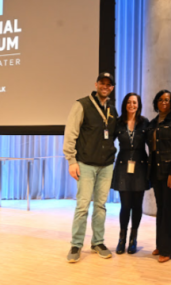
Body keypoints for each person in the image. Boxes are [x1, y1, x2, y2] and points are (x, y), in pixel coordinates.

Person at [63, 72, 119, 262]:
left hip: (106, 165)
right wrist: (71, 161)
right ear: (96, 84)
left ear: (112, 88)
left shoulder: (112, 109)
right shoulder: (82, 105)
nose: (105, 86)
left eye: (108, 84)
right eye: (102, 83)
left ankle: (97, 242)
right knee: (82, 206)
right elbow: (71, 133)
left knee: (101, 206)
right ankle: (76, 244)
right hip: (85, 164)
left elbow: (113, 135)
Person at [147, 90, 171, 263]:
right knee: (160, 207)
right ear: (156, 103)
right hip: (155, 170)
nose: (164, 102)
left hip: (169, 171)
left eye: (167, 100)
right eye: (161, 100)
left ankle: (168, 250)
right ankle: (160, 245)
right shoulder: (153, 123)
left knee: (168, 207)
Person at [110, 93, 150, 255]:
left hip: (140, 166)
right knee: (125, 205)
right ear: (125, 104)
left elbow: (152, 145)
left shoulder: (144, 122)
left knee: (137, 205)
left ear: (138, 105)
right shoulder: (118, 123)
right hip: (123, 165)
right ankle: (122, 239)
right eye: (129, 102)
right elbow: (108, 142)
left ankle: (133, 239)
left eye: (134, 102)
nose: (131, 105)